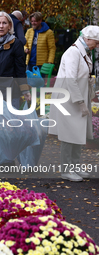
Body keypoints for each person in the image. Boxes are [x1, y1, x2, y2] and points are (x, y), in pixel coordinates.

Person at [48, 26, 99, 182]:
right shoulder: (73, 52)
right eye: (96, 43)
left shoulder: (83, 52)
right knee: (69, 135)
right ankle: (66, 170)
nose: (97, 46)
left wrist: (90, 91)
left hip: (76, 98)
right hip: (68, 100)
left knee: (78, 133)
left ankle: (75, 167)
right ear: (88, 39)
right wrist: (80, 101)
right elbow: (71, 80)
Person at [0, 11, 30, 110]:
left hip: (10, 91)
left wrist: (25, 90)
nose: (1, 26)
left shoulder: (16, 44)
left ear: (9, 26)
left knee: (11, 122)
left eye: (4, 23)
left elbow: (20, 69)